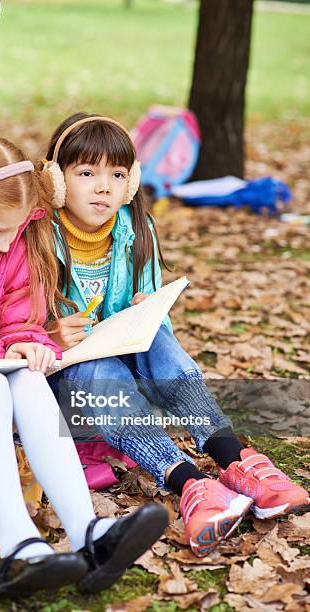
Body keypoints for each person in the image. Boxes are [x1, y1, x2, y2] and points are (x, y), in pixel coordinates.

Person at [0, 136, 168, 598]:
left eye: (15, 231)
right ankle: (18, 548)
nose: (5, 244)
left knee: (20, 376)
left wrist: (26, 343)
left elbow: (18, 317)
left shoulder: (12, 244)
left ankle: (87, 532)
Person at [42, 113, 310, 558]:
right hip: (70, 380)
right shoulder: (38, 238)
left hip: (125, 358)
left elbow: (152, 329)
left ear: (132, 183)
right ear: (54, 179)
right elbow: (14, 323)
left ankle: (234, 461)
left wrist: (144, 315)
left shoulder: (137, 229)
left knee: (163, 346)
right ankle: (190, 483)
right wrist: (51, 332)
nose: (103, 187)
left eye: (117, 174)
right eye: (86, 173)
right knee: (100, 372)